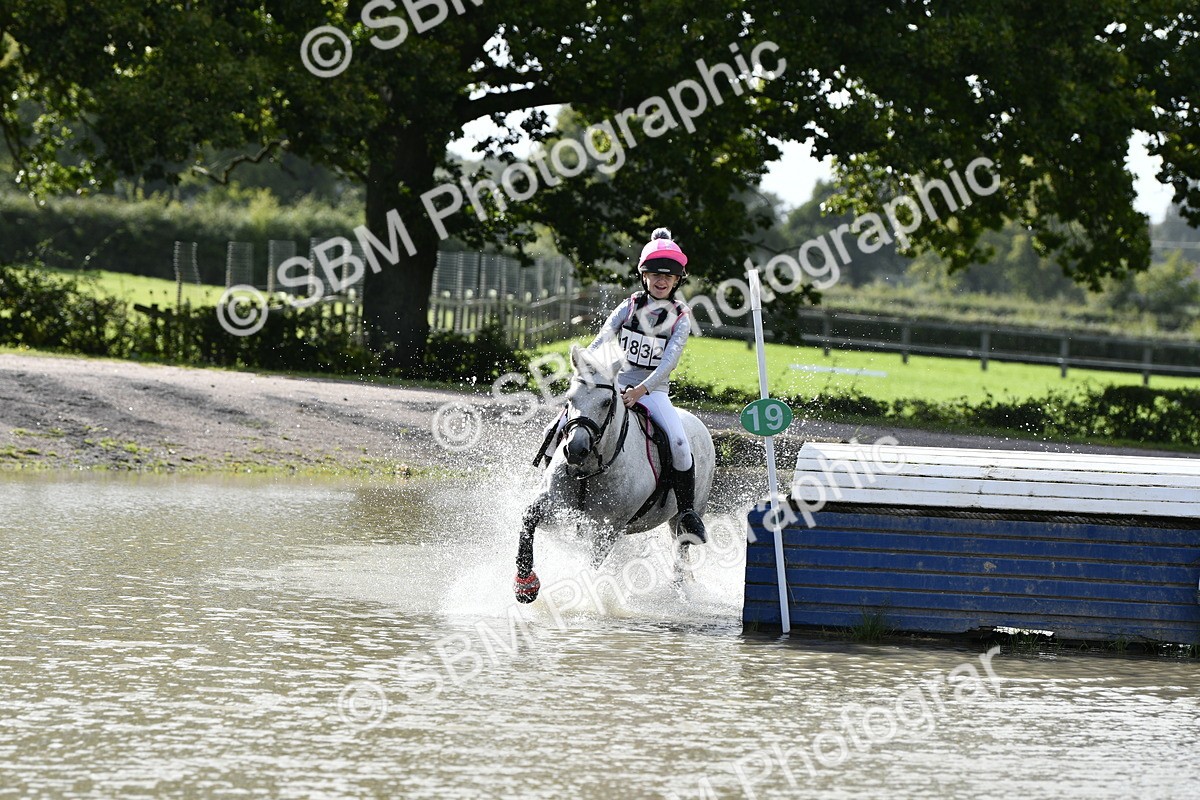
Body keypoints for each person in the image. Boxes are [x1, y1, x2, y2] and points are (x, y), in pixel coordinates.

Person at [539, 227, 705, 543]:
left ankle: (686, 512)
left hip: (652, 393)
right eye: (655, 274)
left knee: (681, 445)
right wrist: (589, 368)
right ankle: (547, 484)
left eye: (668, 277)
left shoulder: (681, 316)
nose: (661, 281)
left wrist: (640, 391)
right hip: (614, 387)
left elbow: (669, 362)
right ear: (644, 276)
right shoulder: (629, 307)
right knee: (559, 425)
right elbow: (603, 338)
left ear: (677, 281)